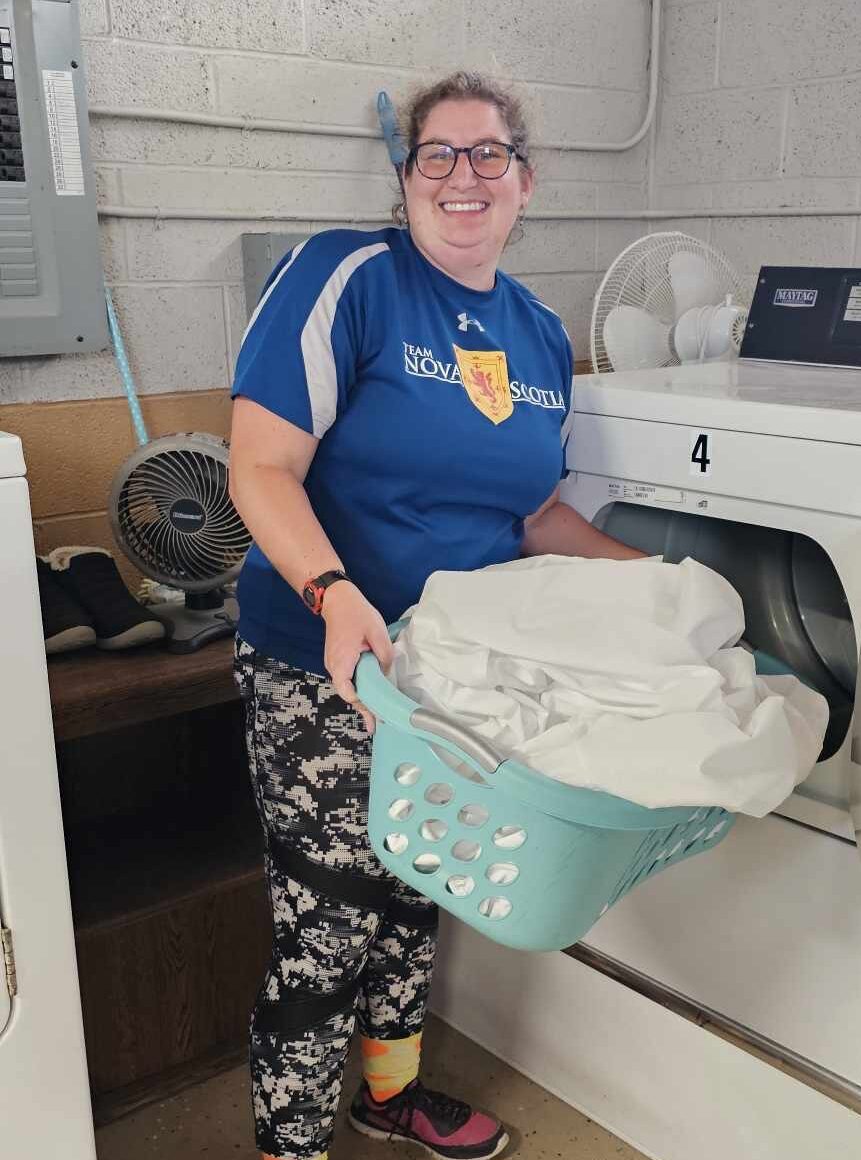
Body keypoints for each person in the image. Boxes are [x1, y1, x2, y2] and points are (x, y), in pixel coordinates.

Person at [228, 70, 644, 1160]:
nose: (465, 176)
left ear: (525, 179)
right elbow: (261, 465)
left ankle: (390, 1093)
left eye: (488, 154)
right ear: (406, 178)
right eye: (439, 156)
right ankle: (288, 1144)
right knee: (328, 923)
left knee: (421, 886)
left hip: (451, 671)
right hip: (321, 657)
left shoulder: (542, 335)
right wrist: (333, 591)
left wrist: (651, 577)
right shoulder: (349, 276)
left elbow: (534, 514)